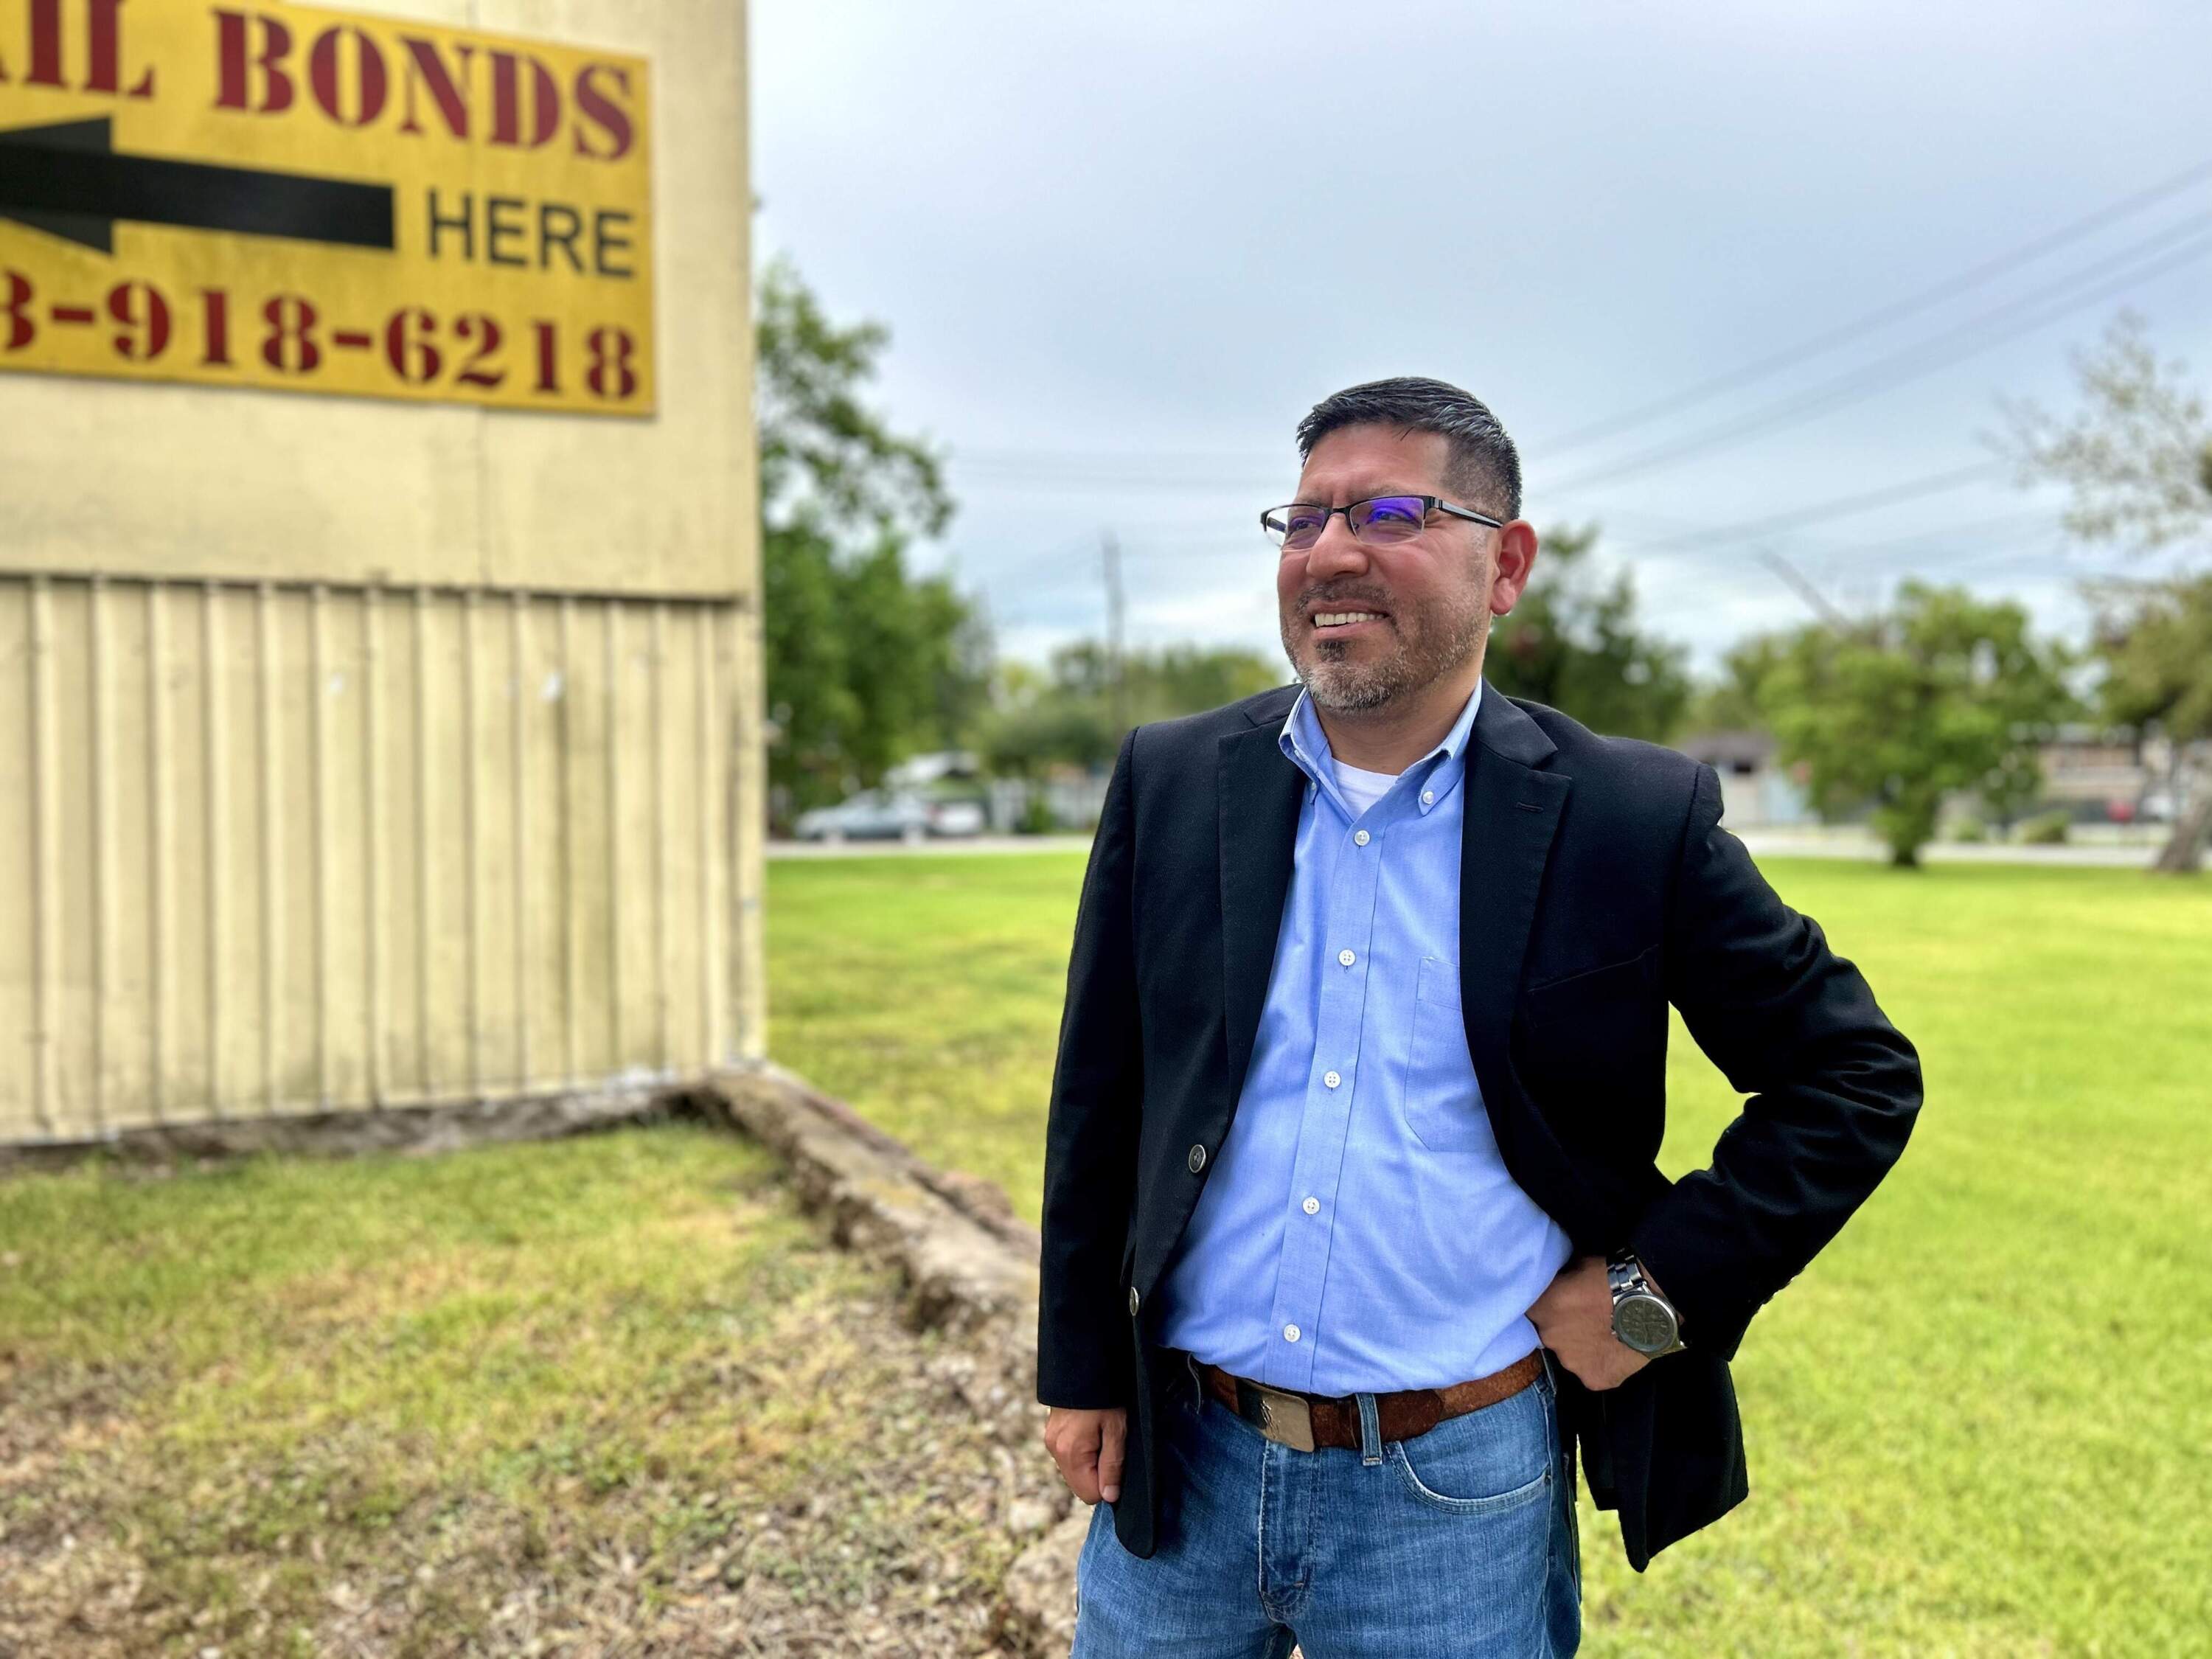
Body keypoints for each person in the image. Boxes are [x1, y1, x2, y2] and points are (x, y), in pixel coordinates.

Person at [1035, 377, 1923, 1657]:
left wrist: (1651, 1295)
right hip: (1185, 1462)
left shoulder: (1627, 817)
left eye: (1389, 511)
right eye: (1303, 519)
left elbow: (1852, 1076)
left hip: (1451, 1491)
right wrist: (1080, 1364)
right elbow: (1100, 1091)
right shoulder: (1175, 778)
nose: (1330, 551)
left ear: (1505, 565)